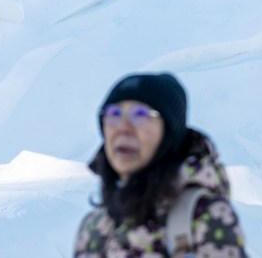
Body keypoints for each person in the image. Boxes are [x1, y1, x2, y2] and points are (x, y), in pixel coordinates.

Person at [74, 72, 246, 257]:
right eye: (113, 114)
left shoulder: (204, 216)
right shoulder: (93, 228)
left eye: (140, 114)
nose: (123, 127)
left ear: (169, 134)